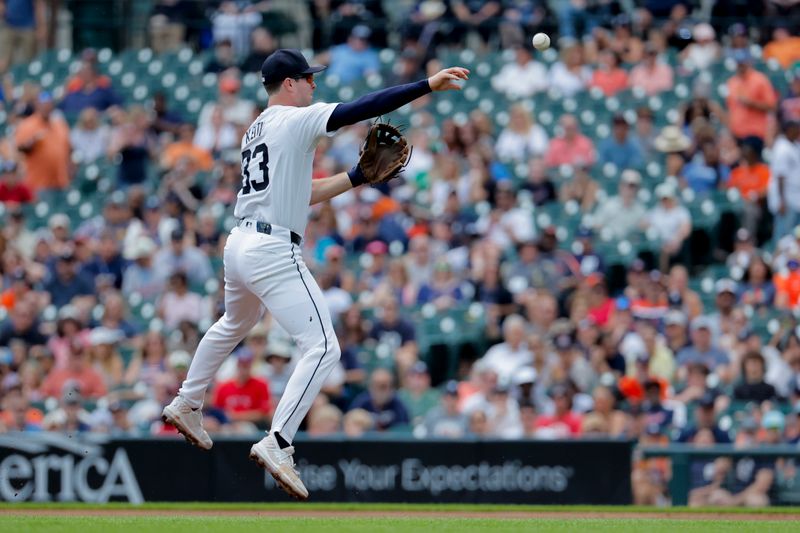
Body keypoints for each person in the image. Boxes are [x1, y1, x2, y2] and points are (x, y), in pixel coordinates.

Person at [161, 48, 468, 499]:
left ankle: (187, 400)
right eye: (308, 78)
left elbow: (300, 192)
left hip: (240, 243)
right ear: (289, 83)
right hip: (270, 249)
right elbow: (362, 107)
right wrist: (426, 85)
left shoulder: (255, 129)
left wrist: (357, 177)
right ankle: (279, 441)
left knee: (234, 323)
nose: (314, 85)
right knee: (323, 346)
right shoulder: (295, 119)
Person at [14, 92, 70, 192]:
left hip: (61, 183)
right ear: (37, 105)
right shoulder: (27, 126)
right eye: (43, 104)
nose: (46, 107)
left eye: (48, 104)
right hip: (38, 184)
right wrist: (31, 144)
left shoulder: (60, 125)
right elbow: (20, 149)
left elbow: (68, 151)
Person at [726, 50, 777, 142]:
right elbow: (730, 108)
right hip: (736, 133)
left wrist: (751, 103)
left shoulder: (760, 79)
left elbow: (771, 106)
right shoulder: (732, 82)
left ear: (749, 62)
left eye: (743, 62)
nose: (740, 65)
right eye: (738, 63)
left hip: (755, 132)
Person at [767, 120, 800, 240]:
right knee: (783, 235)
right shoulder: (782, 148)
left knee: (794, 235)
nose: (798, 131)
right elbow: (780, 176)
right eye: (796, 128)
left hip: (795, 197)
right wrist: (782, 201)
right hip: (786, 199)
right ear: (789, 130)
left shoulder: (794, 145)